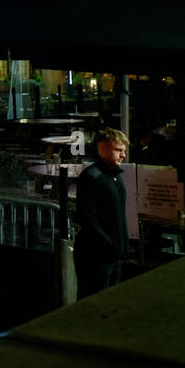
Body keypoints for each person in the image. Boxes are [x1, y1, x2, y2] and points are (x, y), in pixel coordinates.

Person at [74, 127, 129, 298]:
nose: (123, 155)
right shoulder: (92, 176)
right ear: (103, 149)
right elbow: (86, 216)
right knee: (92, 302)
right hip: (96, 256)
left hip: (112, 254)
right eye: (118, 150)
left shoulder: (114, 176)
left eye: (124, 151)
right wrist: (109, 243)